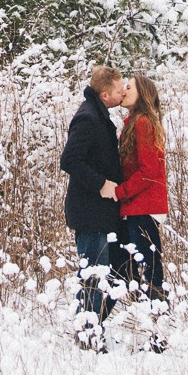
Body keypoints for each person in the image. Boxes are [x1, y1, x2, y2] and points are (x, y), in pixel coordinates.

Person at [60, 65, 126, 350]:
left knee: (102, 273)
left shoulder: (99, 114)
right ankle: (87, 337)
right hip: (90, 212)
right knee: (93, 275)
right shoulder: (88, 118)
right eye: (118, 89)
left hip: (99, 213)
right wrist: (101, 184)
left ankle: (90, 331)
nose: (123, 92)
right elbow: (69, 160)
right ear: (104, 94)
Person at [115, 72, 170, 353]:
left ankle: (157, 337)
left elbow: (148, 172)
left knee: (150, 272)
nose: (123, 90)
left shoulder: (143, 123)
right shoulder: (136, 123)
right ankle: (150, 332)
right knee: (143, 269)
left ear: (142, 94)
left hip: (142, 208)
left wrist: (120, 192)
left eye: (129, 86)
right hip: (139, 208)